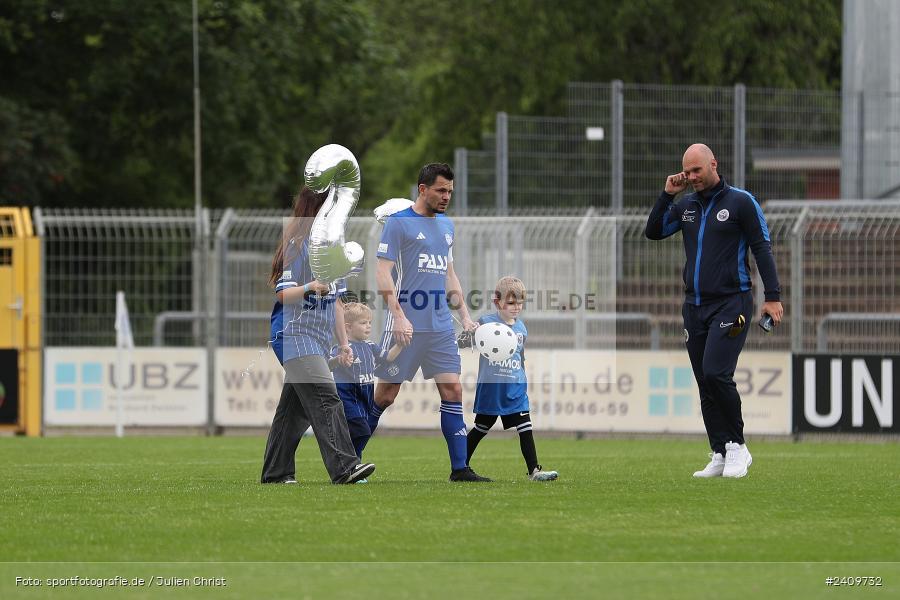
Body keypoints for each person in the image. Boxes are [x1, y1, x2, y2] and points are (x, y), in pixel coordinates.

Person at [645, 143, 784, 479]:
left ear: (713, 165)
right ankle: (720, 451)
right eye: (687, 171)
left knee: (717, 372)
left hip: (732, 302)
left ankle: (738, 447)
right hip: (694, 306)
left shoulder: (740, 202)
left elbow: (761, 248)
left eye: (697, 170)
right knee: (704, 381)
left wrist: (773, 296)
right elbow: (653, 232)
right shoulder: (687, 206)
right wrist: (667, 195)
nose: (691, 177)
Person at [369, 163, 492, 482]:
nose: (446, 196)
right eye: (440, 190)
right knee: (385, 396)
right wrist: (397, 316)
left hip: (440, 328)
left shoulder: (447, 226)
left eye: (450, 191)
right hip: (406, 327)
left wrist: (464, 316)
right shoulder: (398, 224)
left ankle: (460, 469)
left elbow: (450, 275)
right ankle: (346, 461)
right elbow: (382, 273)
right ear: (422, 189)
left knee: (452, 390)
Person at [261, 186, 375, 485]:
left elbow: (337, 301)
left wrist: (344, 344)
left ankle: (276, 473)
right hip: (294, 334)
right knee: (326, 397)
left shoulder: (329, 250)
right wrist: (310, 287)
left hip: (318, 340)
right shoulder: (297, 247)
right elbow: (284, 294)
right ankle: (345, 468)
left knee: (293, 411)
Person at [461, 276, 559, 481]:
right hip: (492, 390)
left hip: (515, 389)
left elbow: (520, 358)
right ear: (497, 302)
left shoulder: (522, 328)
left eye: (520, 303)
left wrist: (522, 380)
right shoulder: (486, 323)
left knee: (525, 427)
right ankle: (460, 466)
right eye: (511, 302)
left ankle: (534, 471)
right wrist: (469, 334)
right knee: (481, 429)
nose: (516, 307)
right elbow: (465, 342)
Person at [327, 302, 382, 464]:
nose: (368, 326)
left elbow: (389, 357)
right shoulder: (341, 348)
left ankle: (353, 467)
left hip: (365, 399)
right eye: (363, 323)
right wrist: (339, 360)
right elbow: (327, 364)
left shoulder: (370, 346)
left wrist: (402, 344)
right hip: (347, 398)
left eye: (370, 323)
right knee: (363, 432)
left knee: (358, 433)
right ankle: (352, 464)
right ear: (348, 327)